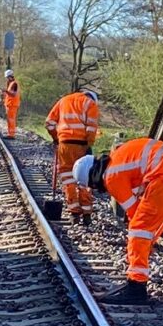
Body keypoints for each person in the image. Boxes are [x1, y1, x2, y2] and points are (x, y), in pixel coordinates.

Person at [74, 136, 163, 304]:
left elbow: (135, 214)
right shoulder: (118, 158)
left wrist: (143, 243)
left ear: (92, 177)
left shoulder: (111, 177)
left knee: (138, 230)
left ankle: (136, 286)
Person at [45, 88, 100, 225]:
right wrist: (89, 144)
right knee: (85, 178)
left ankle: (74, 213)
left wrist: (56, 138)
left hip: (64, 145)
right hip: (81, 145)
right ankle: (87, 214)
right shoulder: (90, 104)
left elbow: (49, 123)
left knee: (68, 179)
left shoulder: (63, 101)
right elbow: (91, 129)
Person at [1, 69, 21, 139]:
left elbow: (13, 94)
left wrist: (6, 91)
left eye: (7, 78)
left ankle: (11, 135)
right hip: (10, 104)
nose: (7, 79)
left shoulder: (14, 84)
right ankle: (10, 133)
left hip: (12, 105)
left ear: (10, 77)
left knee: (11, 120)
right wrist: (5, 93)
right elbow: (10, 94)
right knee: (10, 119)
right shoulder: (11, 84)